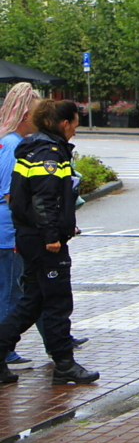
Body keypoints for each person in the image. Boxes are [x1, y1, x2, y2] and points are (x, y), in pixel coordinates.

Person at [0, 99, 98, 385]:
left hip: (29, 236)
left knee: (32, 301)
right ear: (64, 123)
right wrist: (52, 235)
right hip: (43, 241)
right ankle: (64, 364)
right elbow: (44, 197)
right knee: (56, 301)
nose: (75, 131)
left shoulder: (32, 147)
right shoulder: (49, 153)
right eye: (75, 125)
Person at [0, 83, 42, 372]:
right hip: (8, 230)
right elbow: (9, 193)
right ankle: (4, 350)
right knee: (11, 292)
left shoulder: (6, 141)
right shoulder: (14, 145)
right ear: (26, 114)